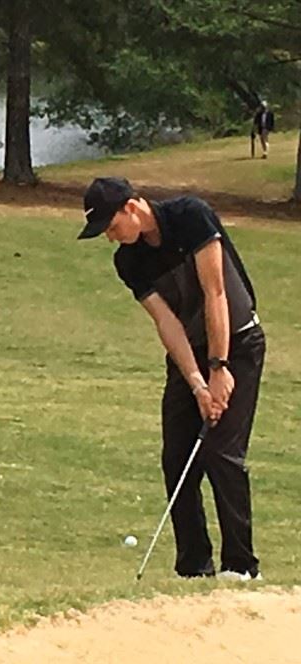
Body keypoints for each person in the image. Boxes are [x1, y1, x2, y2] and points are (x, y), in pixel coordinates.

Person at [77, 177, 265, 581]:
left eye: (111, 227)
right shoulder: (128, 261)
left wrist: (219, 368)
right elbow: (167, 322)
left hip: (239, 343)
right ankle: (195, 568)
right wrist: (197, 382)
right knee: (177, 457)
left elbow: (215, 293)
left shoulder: (191, 217)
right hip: (189, 354)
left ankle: (241, 568)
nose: (111, 238)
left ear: (131, 207)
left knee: (221, 451)